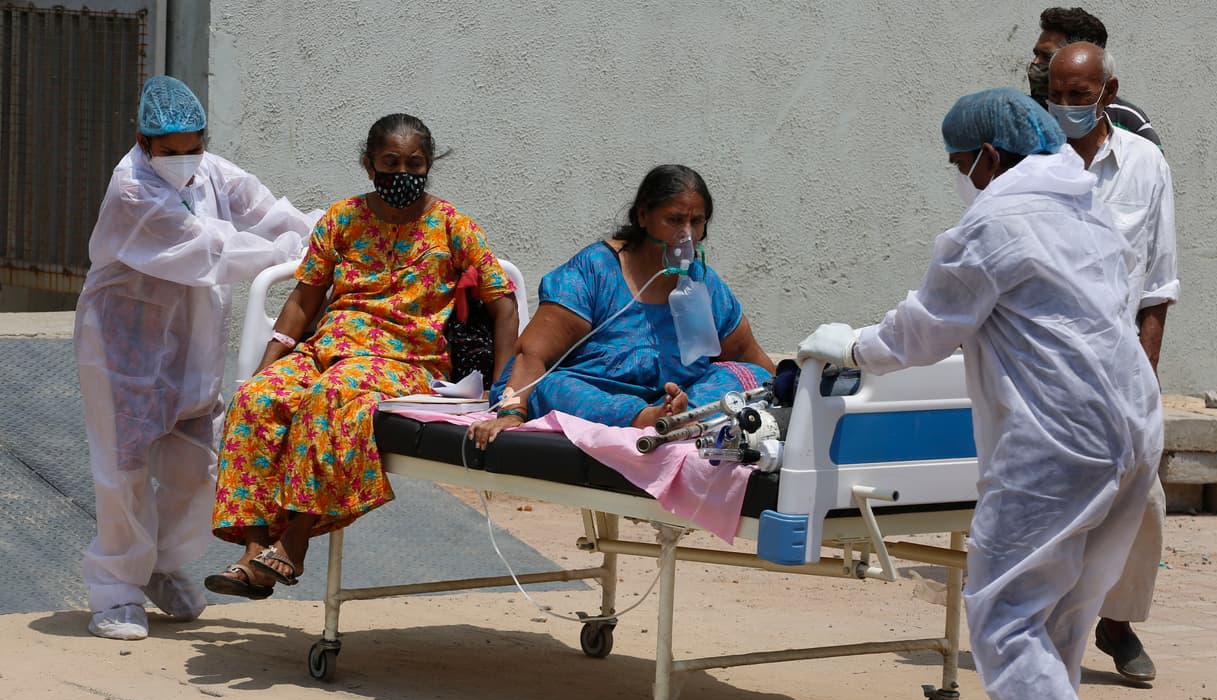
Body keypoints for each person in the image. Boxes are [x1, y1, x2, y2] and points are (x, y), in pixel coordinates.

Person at [798, 89, 1159, 700]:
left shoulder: (992, 221)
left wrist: (852, 345)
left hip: (1057, 438)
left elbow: (925, 330)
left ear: (988, 159)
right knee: (1060, 606)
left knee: (1002, 616)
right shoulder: (1083, 203)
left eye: (960, 163)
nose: (959, 175)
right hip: (1130, 424)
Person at [203, 113, 517, 599]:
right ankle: (253, 551)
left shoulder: (454, 227)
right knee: (259, 399)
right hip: (328, 348)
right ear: (369, 165)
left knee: (333, 396)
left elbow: (504, 303)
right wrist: (269, 363)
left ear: (429, 166)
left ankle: (294, 542)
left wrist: (503, 389)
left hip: (406, 362)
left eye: (414, 164)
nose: (402, 174)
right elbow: (304, 300)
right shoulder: (343, 219)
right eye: (390, 163)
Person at [75, 76, 317, 640]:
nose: (184, 161)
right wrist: (286, 254)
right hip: (124, 348)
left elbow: (264, 210)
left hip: (193, 343)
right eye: (170, 151)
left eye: (193, 147)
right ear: (144, 141)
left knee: (200, 469)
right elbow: (208, 249)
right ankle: (115, 591)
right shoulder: (131, 188)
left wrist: (320, 234)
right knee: (124, 471)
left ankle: (160, 566)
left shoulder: (211, 170)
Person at [468, 165, 774, 449]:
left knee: (747, 375)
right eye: (675, 220)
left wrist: (795, 392)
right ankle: (647, 419)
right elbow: (531, 353)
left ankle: (679, 418)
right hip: (596, 395)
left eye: (696, 221)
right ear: (643, 216)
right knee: (555, 386)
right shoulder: (595, 272)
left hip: (676, 399)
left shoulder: (701, 283)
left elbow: (751, 358)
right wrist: (512, 413)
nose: (687, 235)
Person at [1048, 41, 1178, 683]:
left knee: (1142, 500)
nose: (1068, 108)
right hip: (1047, 363)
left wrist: (1145, 377)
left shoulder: (1146, 166)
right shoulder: (1035, 165)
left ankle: (1116, 623)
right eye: (1059, 96)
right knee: (1053, 500)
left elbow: (1157, 286)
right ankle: (1043, 628)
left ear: (1109, 89)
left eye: (1080, 95)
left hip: (1120, 364)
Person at [1027, 6, 1163, 149]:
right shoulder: (1023, 116)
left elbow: (1154, 167)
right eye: (1036, 54)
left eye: (1047, 56)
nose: (1035, 63)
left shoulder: (1126, 120)